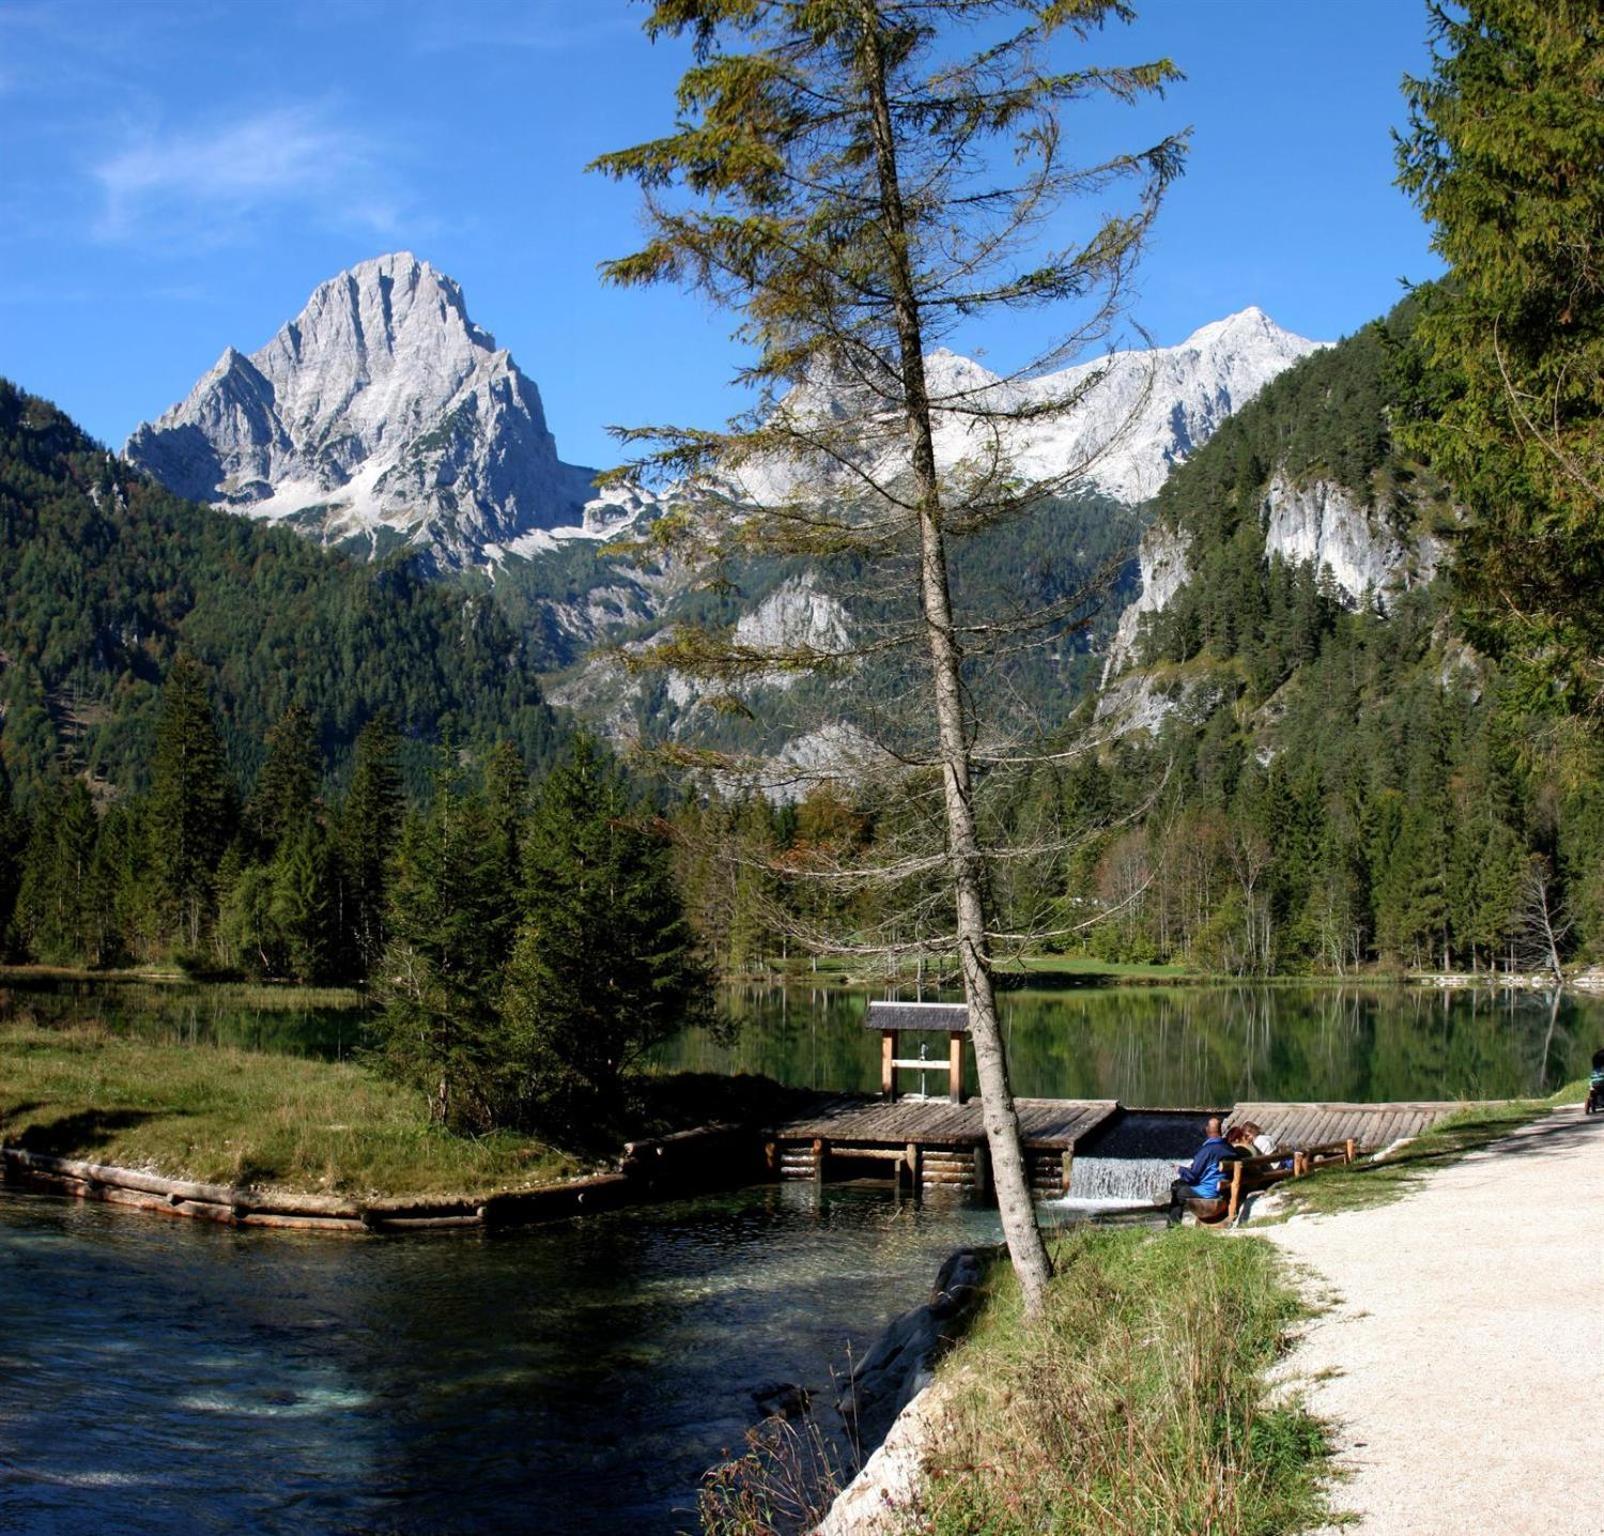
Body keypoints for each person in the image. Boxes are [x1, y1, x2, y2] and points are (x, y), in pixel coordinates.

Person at [1166, 1116, 1238, 1226]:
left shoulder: (1206, 1150)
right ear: (1220, 1130)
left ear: (1207, 1130)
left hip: (1209, 1192)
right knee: (1179, 1183)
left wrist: (1179, 1169)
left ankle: (1172, 1226)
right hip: (1223, 1190)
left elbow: (1192, 1176)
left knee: (1177, 1190)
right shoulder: (1229, 1148)